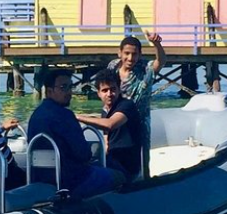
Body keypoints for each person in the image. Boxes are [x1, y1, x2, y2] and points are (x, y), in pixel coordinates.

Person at [27, 69, 124, 199]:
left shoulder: (35, 115)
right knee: (119, 176)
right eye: (63, 87)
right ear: (50, 91)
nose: (69, 92)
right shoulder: (65, 116)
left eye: (70, 87)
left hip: (41, 178)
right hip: (72, 181)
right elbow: (83, 154)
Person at [107, 32, 166, 175]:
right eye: (126, 53)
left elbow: (161, 62)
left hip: (138, 121)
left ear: (140, 54)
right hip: (117, 119)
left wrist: (156, 44)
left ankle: (143, 182)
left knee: (141, 158)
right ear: (119, 53)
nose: (130, 58)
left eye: (134, 54)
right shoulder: (113, 67)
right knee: (114, 155)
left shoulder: (145, 69)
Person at [76, 68, 143, 181]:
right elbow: (106, 139)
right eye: (105, 90)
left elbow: (110, 124)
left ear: (119, 89)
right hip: (112, 160)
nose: (109, 94)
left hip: (126, 168)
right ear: (98, 93)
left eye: (113, 89)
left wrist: (77, 117)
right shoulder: (105, 111)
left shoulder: (127, 106)